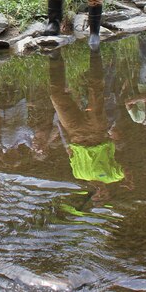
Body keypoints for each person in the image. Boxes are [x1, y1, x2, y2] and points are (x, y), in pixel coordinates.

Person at [49, 51, 126, 202]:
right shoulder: (112, 177)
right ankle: (95, 52)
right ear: (107, 192)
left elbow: (71, 154)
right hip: (96, 132)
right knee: (95, 91)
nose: (99, 193)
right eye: (103, 195)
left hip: (74, 132)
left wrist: (71, 144)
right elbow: (125, 171)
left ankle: (54, 57)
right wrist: (128, 179)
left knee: (56, 96)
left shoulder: (78, 175)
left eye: (97, 197)